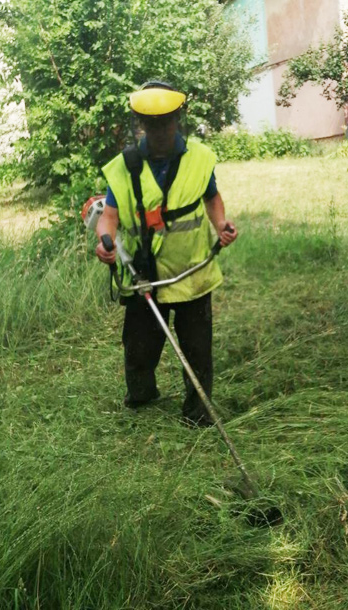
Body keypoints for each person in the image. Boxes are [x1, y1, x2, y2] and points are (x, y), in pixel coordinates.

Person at [94, 81, 238, 426]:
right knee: (139, 348)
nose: (159, 130)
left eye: (166, 121)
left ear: (178, 119)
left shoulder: (200, 159)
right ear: (140, 124)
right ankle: (142, 398)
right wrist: (105, 242)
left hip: (192, 275)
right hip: (146, 278)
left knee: (198, 350)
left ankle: (198, 413)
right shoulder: (124, 167)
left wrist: (221, 225)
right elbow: (109, 217)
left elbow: (212, 197)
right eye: (151, 123)